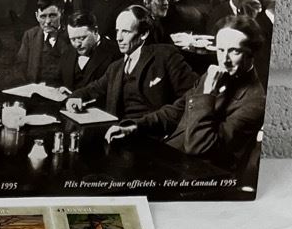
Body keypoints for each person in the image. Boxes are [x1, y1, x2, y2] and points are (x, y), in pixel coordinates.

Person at [106, 17, 267, 170]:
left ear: (251, 53)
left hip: (199, 173)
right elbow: (177, 110)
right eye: (220, 50)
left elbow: (199, 147)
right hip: (171, 156)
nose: (224, 59)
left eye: (234, 51)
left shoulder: (256, 102)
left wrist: (207, 94)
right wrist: (135, 126)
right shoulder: (213, 76)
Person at [68, 7, 199, 122]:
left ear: (144, 34)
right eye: (117, 31)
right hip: (118, 131)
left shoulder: (165, 55)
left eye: (125, 31)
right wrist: (75, 97)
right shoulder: (115, 67)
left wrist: (151, 123)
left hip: (155, 133)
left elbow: (194, 96)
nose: (118, 38)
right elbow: (93, 89)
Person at [10, 0, 73, 88]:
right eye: (43, 16)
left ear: (61, 14)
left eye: (52, 16)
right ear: (36, 16)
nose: (47, 22)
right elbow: (20, 66)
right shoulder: (30, 35)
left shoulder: (71, 36)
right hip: (34, 89)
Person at [65, 15, 117, 93]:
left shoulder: (115, 53)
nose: (77, 44)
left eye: (82, 38)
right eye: (72, 39)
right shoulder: (67, 52)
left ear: (95, 31)